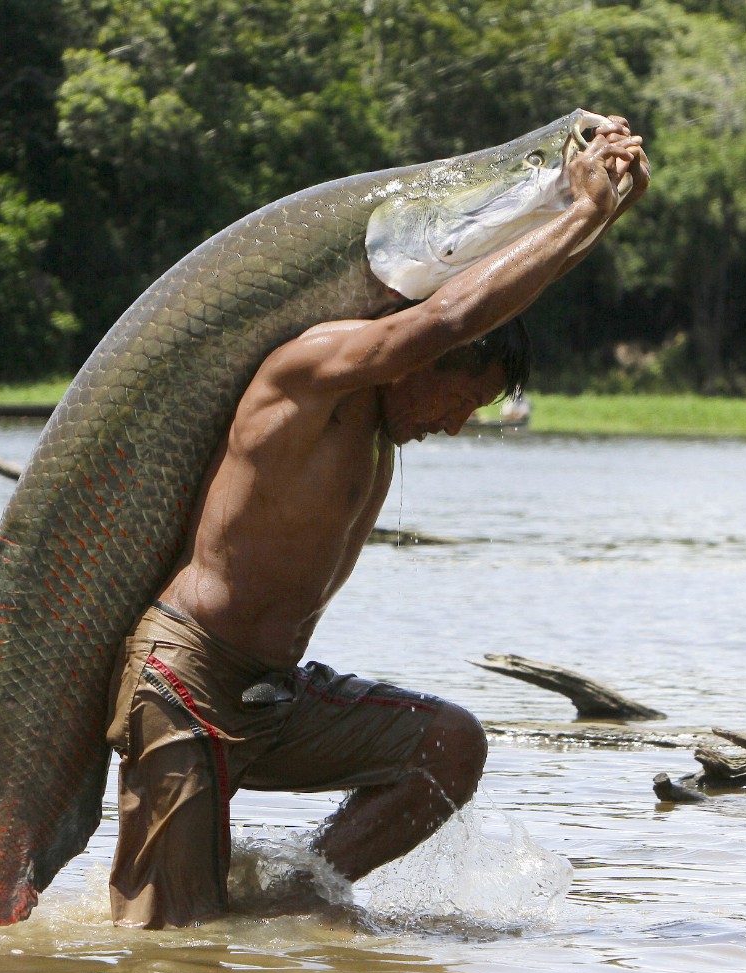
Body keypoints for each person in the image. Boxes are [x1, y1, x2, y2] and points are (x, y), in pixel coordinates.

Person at [105, 115, 650, 929]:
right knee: (166, 950)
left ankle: (298, 892)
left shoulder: (377, 436)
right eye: (459, 401)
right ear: (418, 362)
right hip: (188, 683)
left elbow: (459, 313)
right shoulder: (313, 374)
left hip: (275, 693)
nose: (456, 425)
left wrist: (600, 210)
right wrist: (580, 215)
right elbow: (441, 319)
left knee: (449, 744)